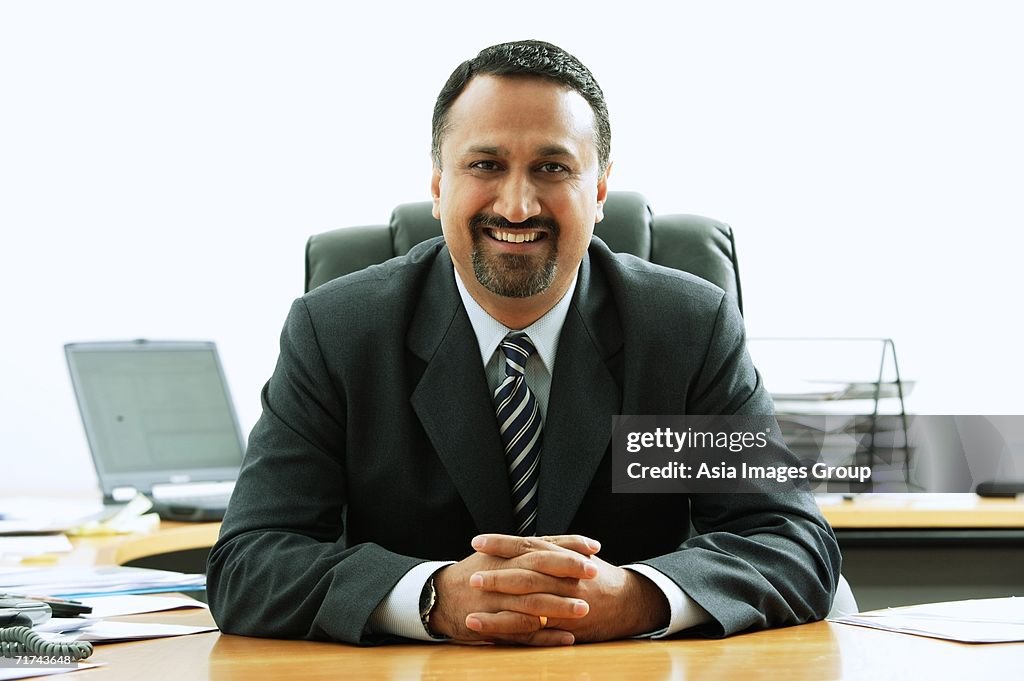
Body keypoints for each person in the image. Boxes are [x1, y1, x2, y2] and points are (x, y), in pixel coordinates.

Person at [206, 39, 840, 646]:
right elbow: (251, 563)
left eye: (552, 167)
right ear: (437, 186)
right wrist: (428, 597)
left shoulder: (683, 328)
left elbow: (788, 542)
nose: (516, 206)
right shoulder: (338, 332)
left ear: (598, 190)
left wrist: (637, 597)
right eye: (485, 165)